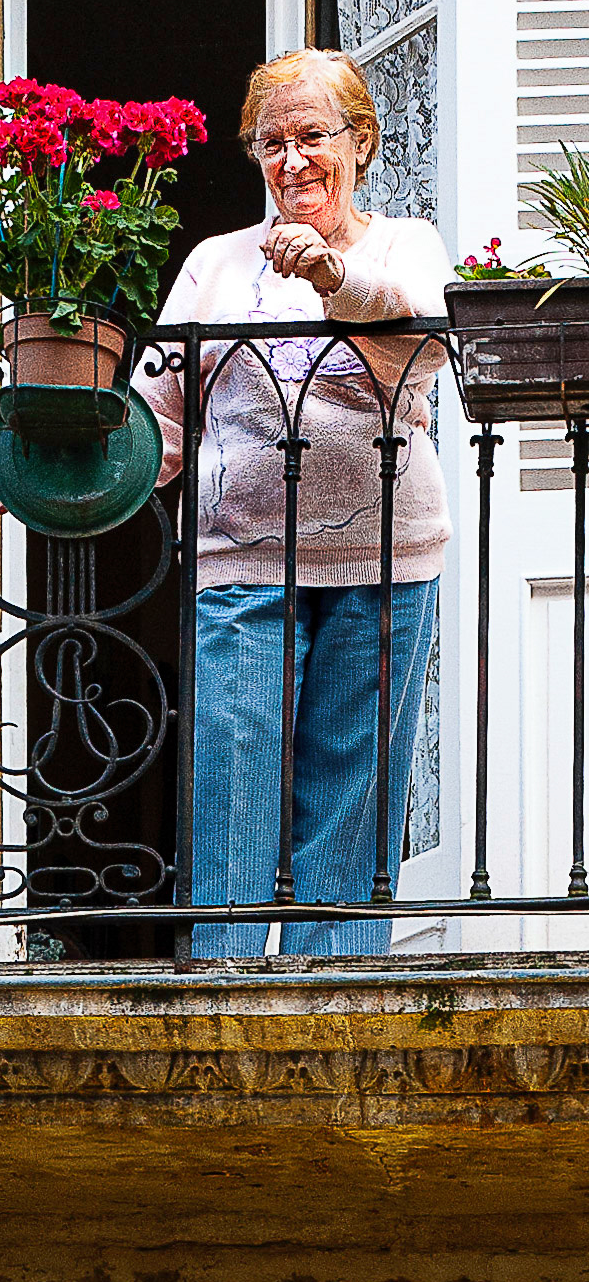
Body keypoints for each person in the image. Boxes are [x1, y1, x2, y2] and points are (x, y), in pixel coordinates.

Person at [132, 48, 451, 957]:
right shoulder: (214, 264)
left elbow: (423, 345)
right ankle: (221, 995)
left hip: (384, 560)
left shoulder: (405, 244)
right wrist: (82, 471)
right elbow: (158, 410)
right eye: (270, 142)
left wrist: (328, 275)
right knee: (230, 790)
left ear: (361, 142)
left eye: (313, 135)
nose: (292, 158)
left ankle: (335, 1001)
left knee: (350, 800)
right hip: (241, 560)